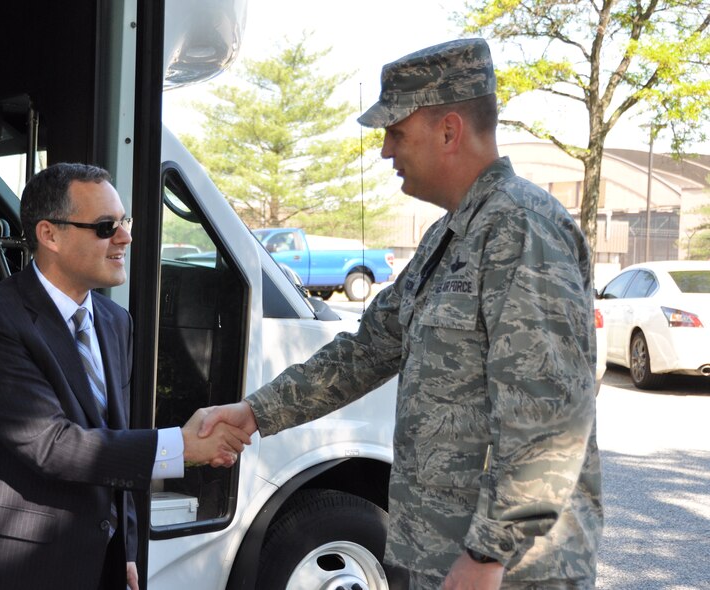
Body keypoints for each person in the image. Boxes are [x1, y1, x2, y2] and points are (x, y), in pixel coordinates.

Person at [199, 38, 603, 589]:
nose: (386, 151)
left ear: (449, 130)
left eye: (396, 132)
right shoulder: (450, 235)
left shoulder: (521, 228)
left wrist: (488, 554)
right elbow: (365, 351)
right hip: (440, 553)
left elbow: (548, 417)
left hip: (509, 570)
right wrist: (254, 412)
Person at [0, 163, 249, 590]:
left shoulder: (115, 321)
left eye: (124, 221)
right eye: (106, 226)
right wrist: (181, 446)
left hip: (94, 564)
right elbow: (50, 445)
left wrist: (125, 548)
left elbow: (114, 434)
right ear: (49, 235)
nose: (125, 237)